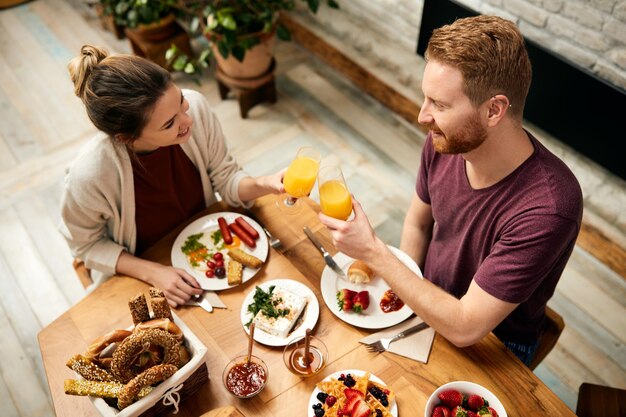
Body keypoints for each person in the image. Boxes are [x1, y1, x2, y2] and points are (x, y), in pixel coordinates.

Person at [319, 15, 583, 366]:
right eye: (425, 99)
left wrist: (374, 252)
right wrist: (404, 293)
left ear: (493, 110)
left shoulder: (549, 207)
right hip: (428, 297)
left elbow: (465, 327)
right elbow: (417, 224)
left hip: (494, 346)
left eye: (439, 105)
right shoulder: (444, 141)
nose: (422, 116)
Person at [61, 45, 284, 307]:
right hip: (141, 272)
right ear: (126, 138)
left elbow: (225, 176)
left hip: (207, 253)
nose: (187, 120)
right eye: (169, 124)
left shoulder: (196, 110)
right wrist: (152, 272)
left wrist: (265, 184)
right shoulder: (89, 175)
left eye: (181, 101)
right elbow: (85, 246)